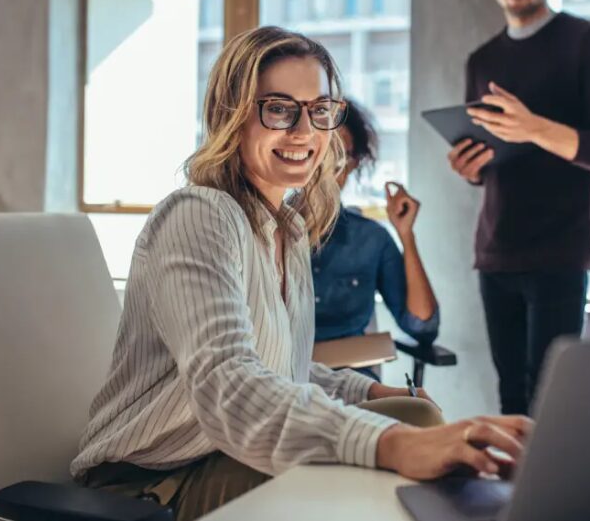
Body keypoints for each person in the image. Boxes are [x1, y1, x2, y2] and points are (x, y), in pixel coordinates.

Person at [70, 26, 531, 521]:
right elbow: (231, 385)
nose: (304, 131)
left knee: (415, 413)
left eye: (319, 110)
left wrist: (368, 391)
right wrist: (392, 445)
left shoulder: (287, 228)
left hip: (224, 455)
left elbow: (280, 366)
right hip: (156, 481)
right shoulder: (197, 215)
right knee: (379, 468)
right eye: (279, 108)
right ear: (231, 115)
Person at [449, 0, 590, 415]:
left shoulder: (588, 42)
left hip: (560, 250)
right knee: (510, 396)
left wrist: (534, 127)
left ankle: (549, 495)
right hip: (495, 250)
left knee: (551, 400)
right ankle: (512, 496)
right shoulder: (482, 59)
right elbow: (489, 158)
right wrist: (470, 165)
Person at [312, 99, 439, 367]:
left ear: (354, 164)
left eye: (341, 157)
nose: (330, 169)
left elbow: (422, 326)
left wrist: (406, 235)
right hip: (281, 384)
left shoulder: (370, 240)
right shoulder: (266, 231)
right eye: (322, 154)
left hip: (353, 382)